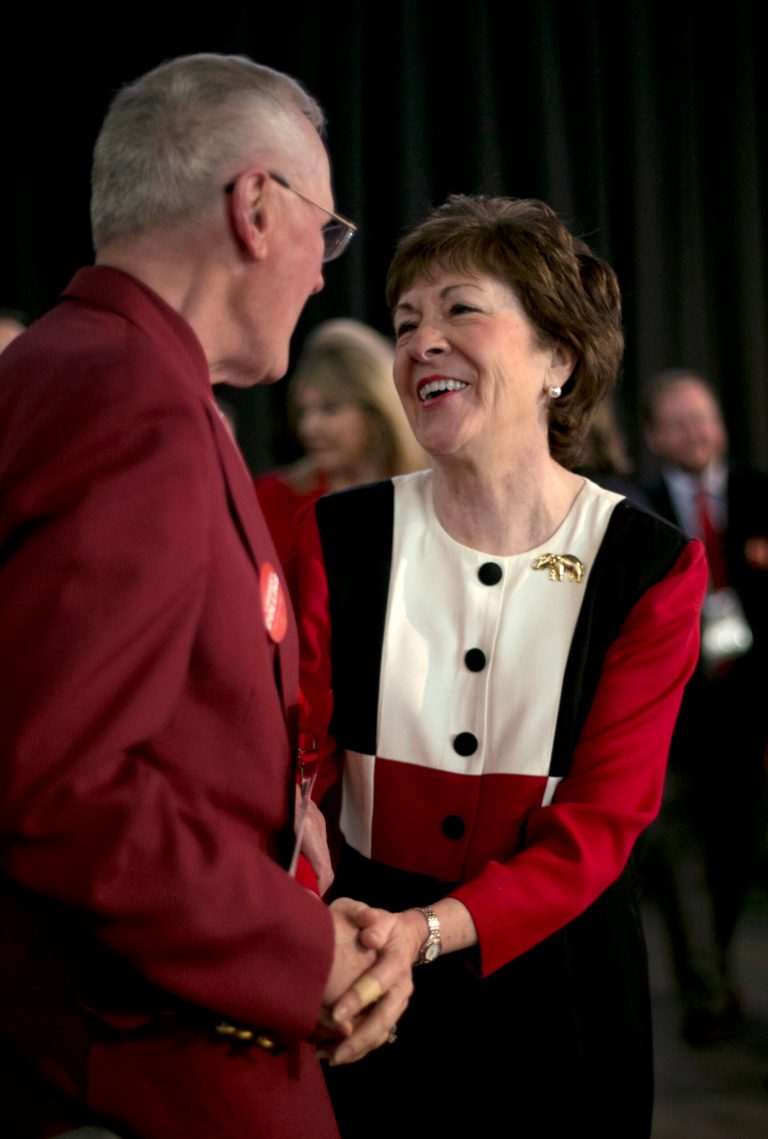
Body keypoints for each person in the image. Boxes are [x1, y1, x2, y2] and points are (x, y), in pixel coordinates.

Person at [0, 53, 411, 1139]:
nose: (326, 273)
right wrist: (302, 950)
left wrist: (292, 832)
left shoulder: (80, 369)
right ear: (257, 207)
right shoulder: (130, 402)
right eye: (325, 234)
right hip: (150, 1064)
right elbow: (65, 786)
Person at [292, 195, 708, 1137]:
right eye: (406, 323)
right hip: (357, 961)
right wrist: (317, 918)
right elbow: (294, 764)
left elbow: (600, 824)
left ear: (559, 356)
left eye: (459, 309)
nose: (422, 341)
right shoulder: (334, 535)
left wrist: (429, 931)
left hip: (559, 983)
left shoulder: (651, 564)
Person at [641, 369, 768, 1045]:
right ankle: (705, 992)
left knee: (734, 851)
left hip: (747, 712)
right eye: (680, 421)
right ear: (656, 436)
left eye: (705, 418)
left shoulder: (757, 493)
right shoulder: (642, 505)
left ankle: (716, 965)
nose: (696, 432)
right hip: (675, 713)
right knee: (678, 851)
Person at [256, 318, 424, 564]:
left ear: (377, 412)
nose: (309, 427)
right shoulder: (271, 500)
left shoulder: (427, 500)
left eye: (329, 409)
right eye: (303, 412)